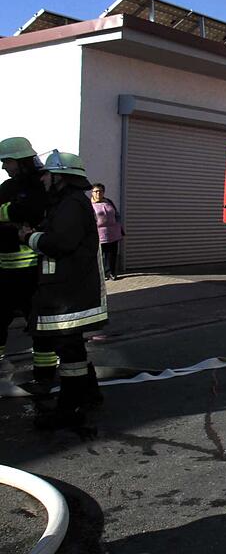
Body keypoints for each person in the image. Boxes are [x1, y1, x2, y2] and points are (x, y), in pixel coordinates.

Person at [19, 151, 107, 429]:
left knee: (69, 351)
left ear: (59, 177)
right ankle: (89, 395)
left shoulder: (71, 205)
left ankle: (71, 405)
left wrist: (29, 237)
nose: (43, 178)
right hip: (69, 289)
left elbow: (61, 243)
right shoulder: (68, 203)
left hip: (69, 292)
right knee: (70, 346)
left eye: (47, 174)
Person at [0, 137, 57, 385]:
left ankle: (44, 378)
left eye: (7, 161)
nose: (3, 167)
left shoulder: (39, 184)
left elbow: (31, 211)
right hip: (4, 269)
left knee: (40, 327)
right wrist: (12, 212)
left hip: (33, 271)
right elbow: (20, 212)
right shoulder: (9, 186)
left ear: (21, 161)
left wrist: (9, 212)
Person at [90, 183, 123, 280]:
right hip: (99, 234)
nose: (98, 193)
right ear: (92, 193)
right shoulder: (89, 204)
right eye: (96, 191)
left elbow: (116, 214)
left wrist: (117, 223)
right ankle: (101, 274)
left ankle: (112, 273)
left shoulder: (108, 202)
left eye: (101, 191)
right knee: (100, 256)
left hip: (113, 232)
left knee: (112, 254)